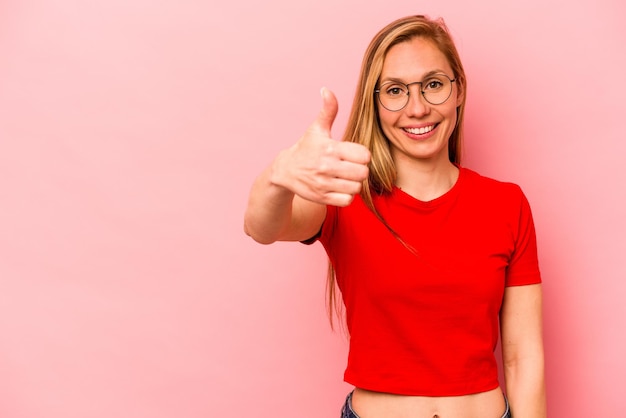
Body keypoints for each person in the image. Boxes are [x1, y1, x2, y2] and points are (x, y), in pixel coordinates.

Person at [244, 15, 546, 418]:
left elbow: (523, 357)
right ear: (375, 102)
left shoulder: (507, 204)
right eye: (396, 91)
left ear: (458, 90)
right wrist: (278, 175)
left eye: (434, 85)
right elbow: (261, 228)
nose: (417, 108)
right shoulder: (344, 194)